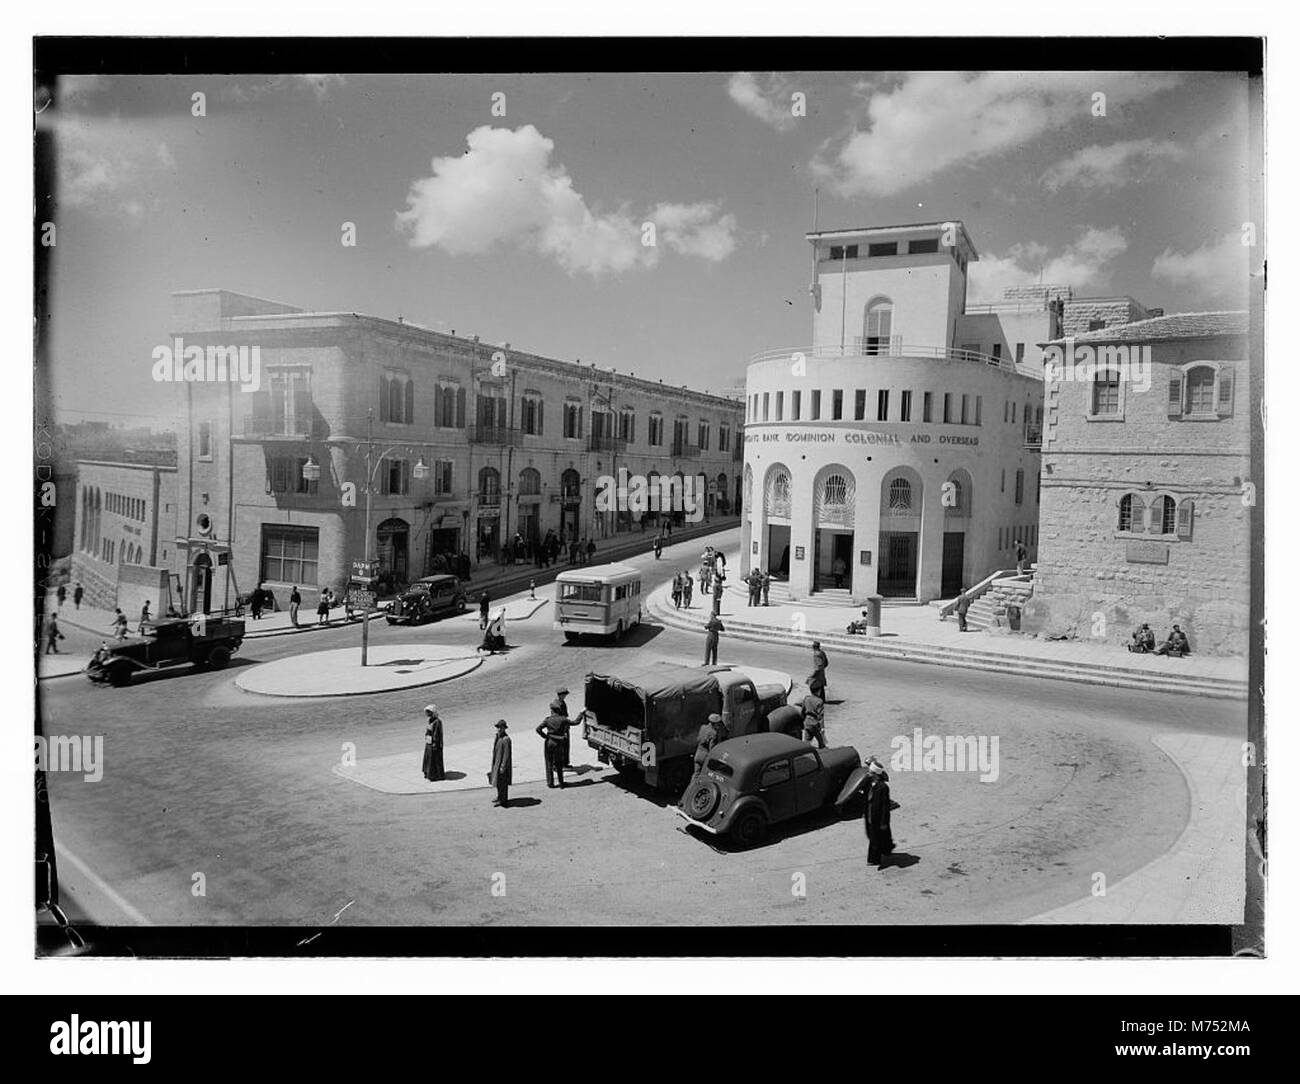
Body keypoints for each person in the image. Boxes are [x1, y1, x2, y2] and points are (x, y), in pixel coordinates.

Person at [864, 758, 895, 867]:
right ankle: (885, 850)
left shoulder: (883, 787)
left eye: (871, 772)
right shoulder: (869, 783)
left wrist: (883, 822)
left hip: (878, 817)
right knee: (874, 836)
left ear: (875, 775)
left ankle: (874, 859)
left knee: (875, 838)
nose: (868, 774)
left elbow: (884, 807)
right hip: (869, 815)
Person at [536, 701, 572, 788]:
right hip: (558, 743)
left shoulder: (548, 720)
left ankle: (550, 783)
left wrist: (545, 737)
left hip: (549, 743)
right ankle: (561, 783)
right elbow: (575, 722)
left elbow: (538, 729)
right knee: (559, 763)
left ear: (552, 710)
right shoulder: (562, 719)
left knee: (549, 763)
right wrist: (581, 714)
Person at [489, 720, 512, 807]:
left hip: (502, 765)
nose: (498, 729)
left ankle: (503, 800)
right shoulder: (498, 737)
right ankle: (499, 797)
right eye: (497, 727)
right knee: (498, 783)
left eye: (500, 727)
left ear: (504, 728)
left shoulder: (506, 739)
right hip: (496, 763)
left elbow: (506, 755)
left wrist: (503, 766)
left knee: (503, 784)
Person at [422, 705, 445, 782]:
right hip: (429, 742)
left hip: (434, 744)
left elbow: (436, 734)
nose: (427, 714)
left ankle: (435, 775)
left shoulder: (437, 722)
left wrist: (434, 743)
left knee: (434, 759)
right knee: (428, 758)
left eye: (428, 712)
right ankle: (428, 773)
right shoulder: (430, 720)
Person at [555, 686, 572, 767]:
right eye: (565, 694)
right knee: (562, 746)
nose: (565, 696)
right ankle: (559, 764)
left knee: (565, 746)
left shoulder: (561, 703)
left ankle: (565, 763)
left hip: (564, 726)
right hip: (561, 728)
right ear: (561, 695)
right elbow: (559, 718)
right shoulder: (557, 704)